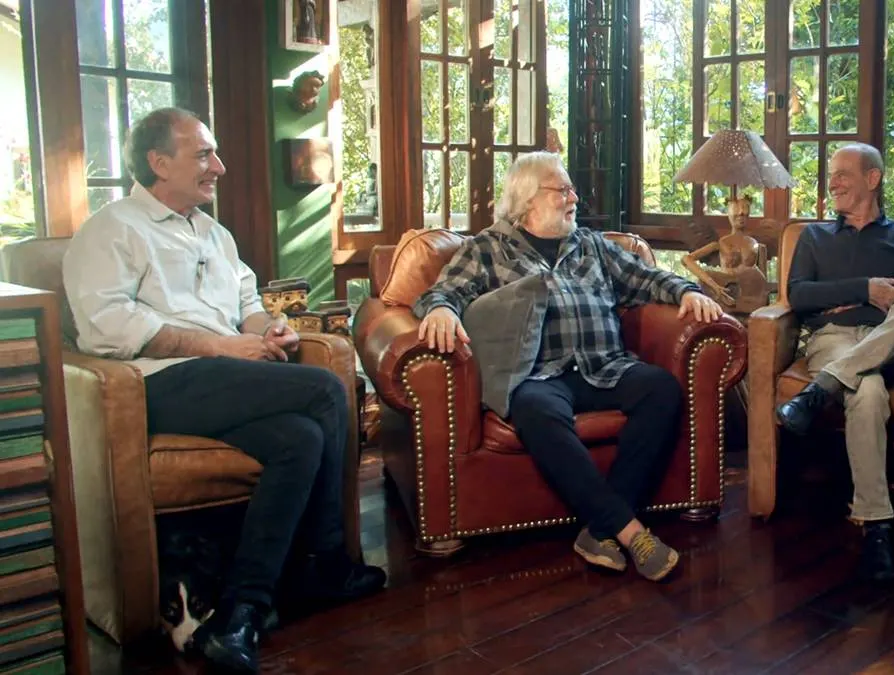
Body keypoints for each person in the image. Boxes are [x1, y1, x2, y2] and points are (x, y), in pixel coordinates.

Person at [63, 108, 385, 674]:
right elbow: (105, 327)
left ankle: (241, 612)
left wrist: (270, 330)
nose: (221, 165)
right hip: (155, 385)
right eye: (204, 154)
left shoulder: (215, 233)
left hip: (224, 379)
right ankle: (326, 563)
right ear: (159, 162)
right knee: (325, 392)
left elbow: (247, 308)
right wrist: (218, 347)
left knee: (299, 438)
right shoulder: (111, 230)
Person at [414, 151, 723, 582]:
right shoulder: (486, 248)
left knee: (662, 389)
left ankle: (600, 530)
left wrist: (687, 290)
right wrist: (443, 311)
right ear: (528, 199)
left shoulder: (591, 244)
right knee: (536, 411)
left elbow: (645, 277)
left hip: (603, 366)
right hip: (538, 375)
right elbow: (441, 292)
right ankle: (633, 532)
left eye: (571, 188)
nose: (573, 197)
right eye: (562, 189)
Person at [773, 143, 894, 581]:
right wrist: (866, 290)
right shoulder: (813, 237)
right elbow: (799, 295)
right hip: (833, 340)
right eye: (831, 175)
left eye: (842, 174)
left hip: (890, 341)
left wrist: (875, 306)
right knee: (868, 389)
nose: (831, 182)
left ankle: (821, 390)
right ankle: (876, 527)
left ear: (872, 179)